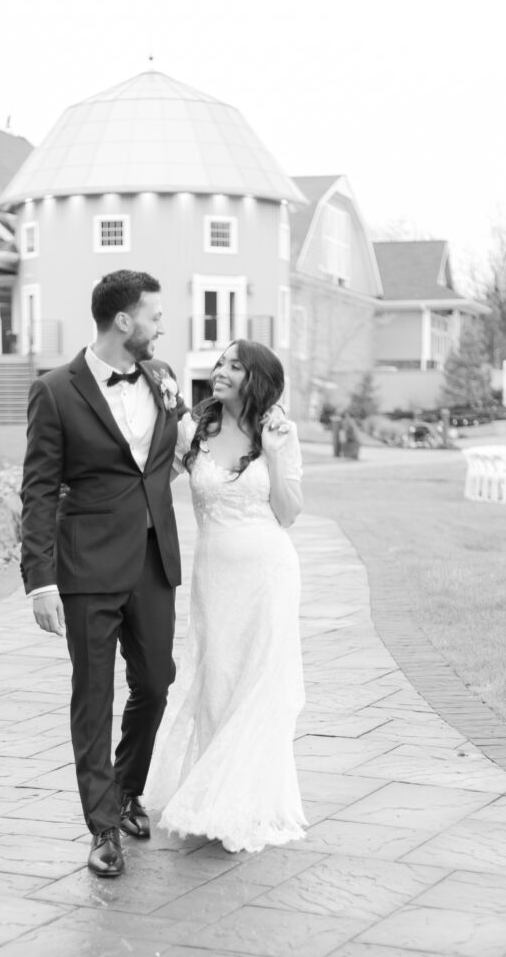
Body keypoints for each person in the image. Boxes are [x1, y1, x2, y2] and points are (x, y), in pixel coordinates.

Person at [20, 270, 187, 878]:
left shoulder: (163, 379)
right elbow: (37, 490)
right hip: (87, 567)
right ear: (124, 321)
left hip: (152, 561)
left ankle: (125, 787)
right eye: (155, 314)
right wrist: (40, 580)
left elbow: (182, 451)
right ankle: (102, 827)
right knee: (92, 697)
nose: (162, 325)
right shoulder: (55, 391)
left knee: (158, 681)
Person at [144, 339, 307, 853]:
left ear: (255, 378)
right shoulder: (192, 429)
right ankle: (212, 788)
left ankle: (246, 799)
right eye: (220, 362)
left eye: (234, 365)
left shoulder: (279, 431)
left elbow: (288, 512)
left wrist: (277, 456)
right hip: (215, 576)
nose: (220, 370)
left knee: (260, 682)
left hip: (269, 573)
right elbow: (150, 480)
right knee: (217, 678)